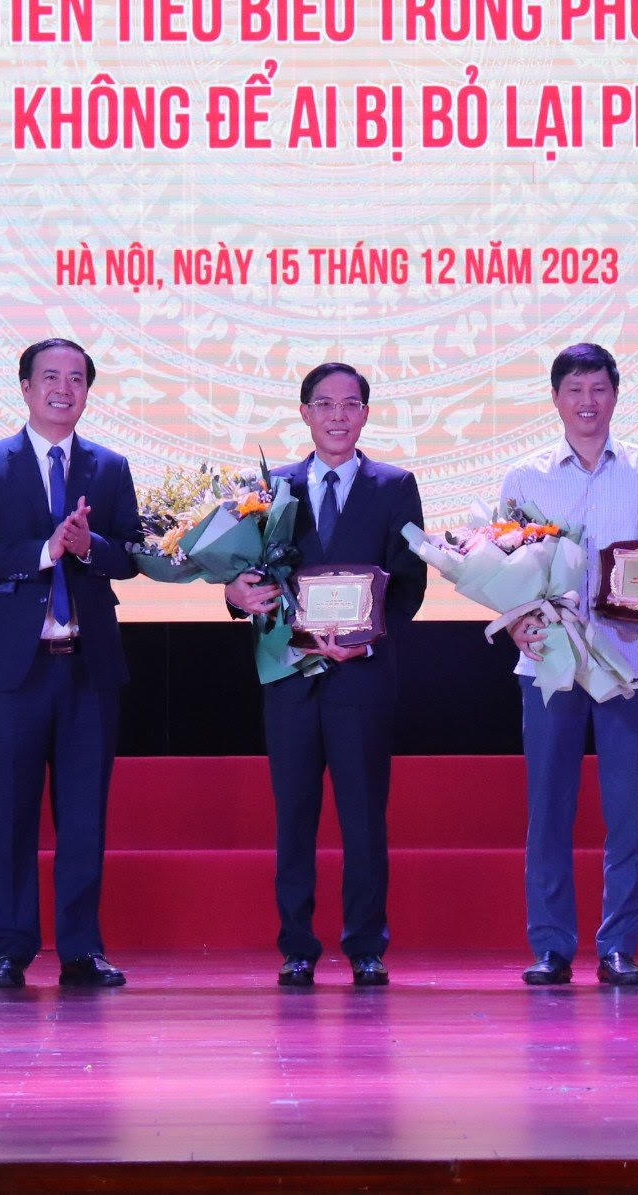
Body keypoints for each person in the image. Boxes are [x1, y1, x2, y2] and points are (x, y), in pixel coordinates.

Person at [0, 337, 144, 990]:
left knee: (84, 815)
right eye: (51, 377)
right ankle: (10, 950)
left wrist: (89, 547)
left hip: (89, 667)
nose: (65, 388)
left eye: (77, 379)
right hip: (11, 670)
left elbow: (131, 556)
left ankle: (82, 950)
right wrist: (45, 550)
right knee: (11, 814)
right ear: (27, 388)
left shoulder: (110, 467)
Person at [226, 362, 428, 988]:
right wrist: (235, 594)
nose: (337, 415)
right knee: (294, 819)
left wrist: (361, 644)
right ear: (304, 413)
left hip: (362, 678)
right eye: (324, 404)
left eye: (350, 404)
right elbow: (246, 575)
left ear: (365, 413)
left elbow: (409, 584)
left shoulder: (395, 485)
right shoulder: (271, 487)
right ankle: (296, 946)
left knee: (364, 819)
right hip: (290, 677)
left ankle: (366, 946)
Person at [496, 343, 638, 987]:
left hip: (631, 657)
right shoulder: (525, 476)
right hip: (549, 660)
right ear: (555, 398)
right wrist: (517, 617)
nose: (588, 402)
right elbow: (503, 565)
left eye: (599, 389)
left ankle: (619, 946)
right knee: (549, 807)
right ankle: (552, 946)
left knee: (628, 809)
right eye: (575, 390)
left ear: (615, 395)